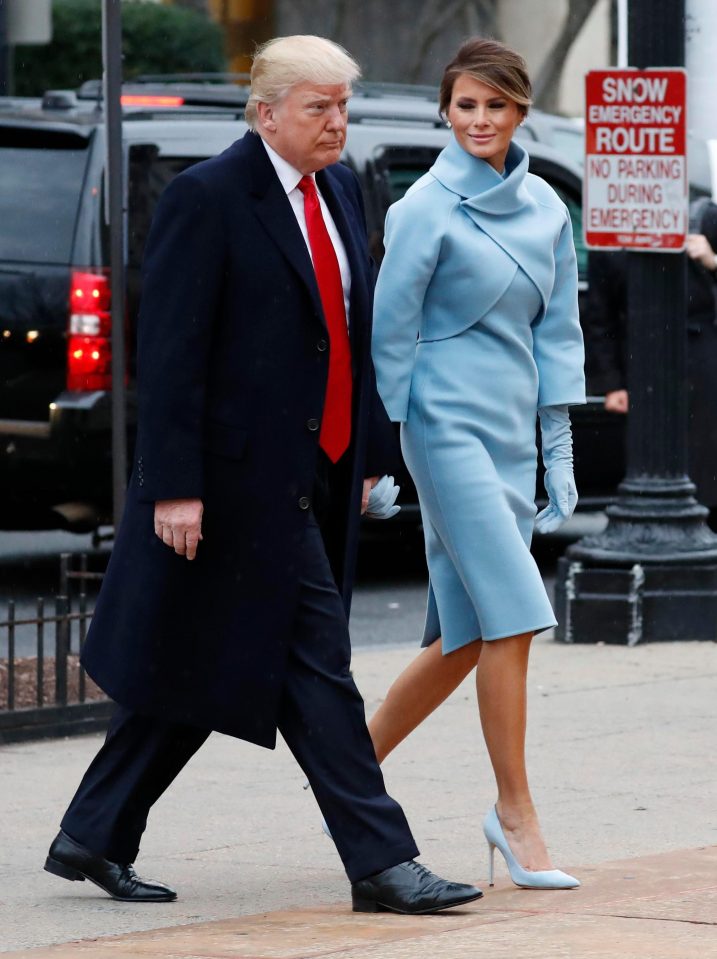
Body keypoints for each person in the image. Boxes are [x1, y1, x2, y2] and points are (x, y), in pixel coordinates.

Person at [43, 35, 482, 916]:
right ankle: (382, 861)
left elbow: (345, 333)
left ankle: (89, 833)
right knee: (318, 671)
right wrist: (174, 485)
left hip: (314, 475)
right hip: (237, 487)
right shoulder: (208, 199)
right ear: (265, 112)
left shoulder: (341, 189)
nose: (336, 124)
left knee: (207, 662)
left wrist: (358, 459)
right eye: (319, 108)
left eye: (342, 107)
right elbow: (170, 355)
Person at [370, 38, 585, 890]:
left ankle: (348, 767)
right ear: (446, 111)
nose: (479, 120)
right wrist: (385, 452)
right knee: (515, 614)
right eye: (464, 105)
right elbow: (389, 337)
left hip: (508, 431)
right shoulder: (422, 207)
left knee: (463, 637)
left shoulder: (544, 208)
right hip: (442, 426)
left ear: (519, 111)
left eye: (494, 106)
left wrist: (557, 446)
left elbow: (557, 333)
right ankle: (514, 812)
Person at [586, 199, 717, 517]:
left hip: (703, 361)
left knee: (705, 459)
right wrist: (612, 384)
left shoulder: (703, 218)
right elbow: (600, 318)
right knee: (650, 459)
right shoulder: (609, 232)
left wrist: (713, 260)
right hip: (642, 362)